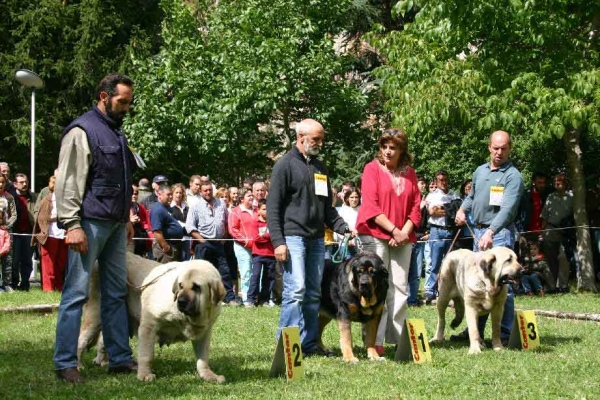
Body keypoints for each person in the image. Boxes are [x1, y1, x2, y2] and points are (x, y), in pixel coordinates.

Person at [54, 73, 138, 383]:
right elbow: (68, 183)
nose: (127, 107)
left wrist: (127, 218)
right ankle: (65, 362)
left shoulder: (116, 132)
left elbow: (120, 181)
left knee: (116, 293)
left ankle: (118, 357)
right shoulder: (81, 130)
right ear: (104, 97)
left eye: (129, 101)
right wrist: (72, 224)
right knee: (76, 294)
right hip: (88, 224)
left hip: (115, 226)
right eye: (122, 101)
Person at [267, 118, 348, 357]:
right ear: (301, 138)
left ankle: (310, 344)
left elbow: (327, 209)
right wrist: (278, 242)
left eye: (321, 139)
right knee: (296, 291)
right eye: (316, 139)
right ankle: (286, 346)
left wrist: (342, 227)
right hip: (292, 237)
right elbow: (273, 207)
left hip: (316, 239)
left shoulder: (320, 168)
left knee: (314, 293)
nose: (320, 143)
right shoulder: (284, 165)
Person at [355, 128, 421, 357]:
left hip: (404, 235)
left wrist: (403, 232)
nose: (388, 151)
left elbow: (415, 205)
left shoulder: (410, 172)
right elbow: (371, 207)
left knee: (401, 288)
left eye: (393, 147)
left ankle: (399, 338)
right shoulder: (371, 169)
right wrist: (393, 230)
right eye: (384, 146)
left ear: (402, 150)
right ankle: (375, 340)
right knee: (377, 288)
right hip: (375, 234)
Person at [455, 130, 524, 346]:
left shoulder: (513, 176)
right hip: (478, 231)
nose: (499, 152)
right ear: (489, 147)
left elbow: (508, 208)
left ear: (510, 149)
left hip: (499, 233)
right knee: (481, 285)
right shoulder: (480, 171)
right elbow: (472, 196)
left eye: (504, 148)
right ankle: (476, 333)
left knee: (504, 285)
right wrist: (462, 210)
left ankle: (504, 334)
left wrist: (492, 231)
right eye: (496, 148)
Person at [186, 179, 239, 305]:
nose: (208, 192)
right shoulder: (195, 207)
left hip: (219, 243)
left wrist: (224, 238)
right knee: (201, 274)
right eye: (205, 190)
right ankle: (200, 299)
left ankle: (229, 298)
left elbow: (227, 222)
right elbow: (189, 227)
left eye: (210, 190)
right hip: (203, 243)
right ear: (201, 192)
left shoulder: (221, 203)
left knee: (224, 271)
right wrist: (202, 241)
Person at [423, 170, 460, 304]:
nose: (443, 182)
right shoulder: (432, 195)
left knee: (451, 263)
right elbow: (431, 212)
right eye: (440, 180)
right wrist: (448, 210)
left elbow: (457, 211)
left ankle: (451, 291)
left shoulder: (454, 194)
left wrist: (442, 209)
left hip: (451, 231)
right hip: (436, 231)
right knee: (435, 263)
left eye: (445, 180)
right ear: (436, 182)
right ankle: (431, 291)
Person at [31, 175, 68, 291]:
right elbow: (41, 218)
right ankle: (48, 288)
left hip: (63, 235)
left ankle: (59, 286)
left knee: (61, 263)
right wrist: (57, 217)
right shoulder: (47, 199)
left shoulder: (67, 200)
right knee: (48, 264)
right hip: (50, 235)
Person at [541, 173, 574, 292]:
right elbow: (544, 215)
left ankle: (563, 285)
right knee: (551, 259)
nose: (557, 183)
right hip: (550, 229)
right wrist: (542, 231)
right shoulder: (550, 196)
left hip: (566, 231)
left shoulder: (572, 196)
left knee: (563, 257)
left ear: (565, 182)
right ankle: (552, 286)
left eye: (559, 180)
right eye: (555, 181)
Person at [228, 188, 257, 306]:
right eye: (248, 196)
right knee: (246, 272)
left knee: (256, 272)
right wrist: (246, 242)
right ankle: (246, 298)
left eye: (252, 196)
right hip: (242, 246)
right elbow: (232, 230)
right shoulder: (235, 211)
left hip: (257, 246)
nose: (251, 197)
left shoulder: (256, 211)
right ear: (241, 199)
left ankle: (255, 296)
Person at [11, 173, 37, 291]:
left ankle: (25, 284)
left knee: (27, 260)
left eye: (26, 182)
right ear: (15, 184)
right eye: (21, 182)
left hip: (29, 234)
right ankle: (14, 283)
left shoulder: (33, 197)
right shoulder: (11, 197)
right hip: (14, 234)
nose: (25, 184)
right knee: (14, 260)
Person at [249, 199, 276, 306]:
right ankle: (251, 299)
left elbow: (275, 236)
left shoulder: (273, 223)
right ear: (258, 210)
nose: (267, 211)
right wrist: (270, 237)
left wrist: (264, 236)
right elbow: (255, 238)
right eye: (264, 209)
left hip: (271, 254)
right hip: (258, 254)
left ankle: (264, 299)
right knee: (255, 276)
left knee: (269, 278)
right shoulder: (255, 222)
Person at [407, 175, 429, 306]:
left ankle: (413, 300)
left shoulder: (425, 201)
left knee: (416, 272)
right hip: (408, 239)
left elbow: (426, 222)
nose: (423, 186)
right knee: (404, 272)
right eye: (421, 183)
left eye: (424, 184)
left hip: (420, 240)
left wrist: (429, 232)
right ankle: (401, 300)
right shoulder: (409, 199)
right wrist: (419, 208)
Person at [150, 184, 185, 263]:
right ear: (159, 195)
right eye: (168, 195)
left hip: (174, 245)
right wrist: (165, 246)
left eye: (171, 195)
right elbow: (157, 232)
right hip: (164, 248)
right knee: (165, 272)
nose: (170, 197)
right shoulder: (158, 210)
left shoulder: (167, 208)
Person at [333, 187, 361, 258]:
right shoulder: (343, 210)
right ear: (347, 198)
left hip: (359, 246)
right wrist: (347, 240)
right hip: (345, 246)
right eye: (352, 197)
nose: (354, 199)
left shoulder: (362, 210)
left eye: (356, 197)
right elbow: (338, 227)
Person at [0, 175, 16, 292]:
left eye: (2, 182)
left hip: (6, 232)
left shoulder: (9, 197)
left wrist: (7, 225)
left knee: (8, 259)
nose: (0, 185)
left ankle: (7, 284)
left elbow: (14, 214)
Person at [129, 186, 151, 257]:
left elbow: (147, 223)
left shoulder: (140, 207)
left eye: (135, 194)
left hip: (140, 240)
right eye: (132, 194)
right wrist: (130, 221)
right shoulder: (122, 207)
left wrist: (140, 222)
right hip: (128, 240)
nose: (134, 196)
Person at [171, 183, 190, 261]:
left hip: (186, 239)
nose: (178, 195)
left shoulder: (186, 207)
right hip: (175, 240)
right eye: (176, 192)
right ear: (172, 194)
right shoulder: (170, 207)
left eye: (180, 193)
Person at [456, 179, 476, 250]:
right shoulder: (460, 201)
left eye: (471, 187)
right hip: (465, 234)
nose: (469, 188)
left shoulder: (478, 201)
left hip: (477, 233)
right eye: (467, 187)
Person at [0, 207, 11, 293]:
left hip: (3, 254)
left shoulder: (5, 231)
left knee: (6, 269)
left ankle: (5, 285)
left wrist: (1, 252)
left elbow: (7, 244)